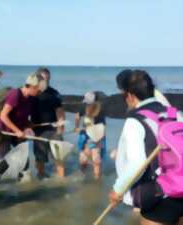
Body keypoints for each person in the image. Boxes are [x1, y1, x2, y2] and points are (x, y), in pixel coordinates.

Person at [109, 70, 183, 225]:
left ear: (130, 95)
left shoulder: (135, 121)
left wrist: (118, 190)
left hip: (158, 196)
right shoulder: (175, 114)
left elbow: (138, 164)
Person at [0, 72, 46, 185]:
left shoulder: (31, 98)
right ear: (31, 86)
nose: (40, 92)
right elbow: (3, 116)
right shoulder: (15, 95)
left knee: (24, 159)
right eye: (38, 90)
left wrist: (29, 124)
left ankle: (22, 185)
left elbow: (22, 116)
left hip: (17, 131)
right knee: (7, 161)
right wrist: (18, 131)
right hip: (3, 131)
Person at [31, 67, 66, 179]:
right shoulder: (33, 93)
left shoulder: (54, 93)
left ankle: (61, 178)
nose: (46, 81)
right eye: (43, 79)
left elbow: (60, 112)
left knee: (59, 156)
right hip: (38, 131)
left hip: (53, 129)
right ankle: (41, 175)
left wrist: (60, 130)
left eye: (48, 79)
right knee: (40, 157)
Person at [74, 91, 106, 180]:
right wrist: (77, 127)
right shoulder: (84, 106)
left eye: (88, 102)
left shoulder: (99, 110)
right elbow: (77, 117)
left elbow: (102, 127)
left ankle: (96, 179)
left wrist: (100, 139)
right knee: (84, 158)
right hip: (86, 135)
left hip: (96, 136)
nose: (86, 104)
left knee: (95, 159)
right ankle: (84, 175)